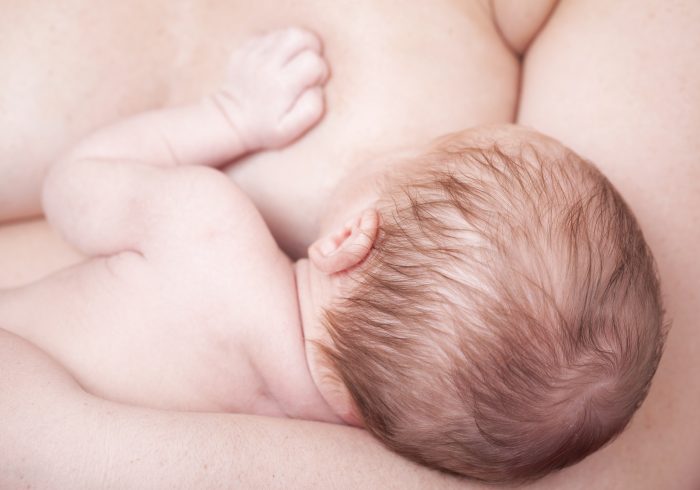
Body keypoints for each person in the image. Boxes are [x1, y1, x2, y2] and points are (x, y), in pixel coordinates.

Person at [1, 0, 699, 488]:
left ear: (347, 238)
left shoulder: (207, 227)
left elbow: (74, 188)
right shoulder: (339, 443)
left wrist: (229, 117)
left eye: (421, 152)